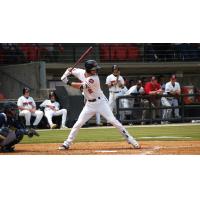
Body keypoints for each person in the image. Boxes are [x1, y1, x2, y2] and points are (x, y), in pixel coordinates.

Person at [58, 60, 140, 150]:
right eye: (93, 69)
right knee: (78, 123)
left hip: (101, 103)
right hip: (89, 104)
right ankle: (67, 143)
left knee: (113, 121)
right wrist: (67, 72)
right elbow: (71, 69)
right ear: (88, 70)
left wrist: (67, 82)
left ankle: (131, 140)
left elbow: (81, 86)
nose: (96, 71)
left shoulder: (94, 78)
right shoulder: (81, 72)